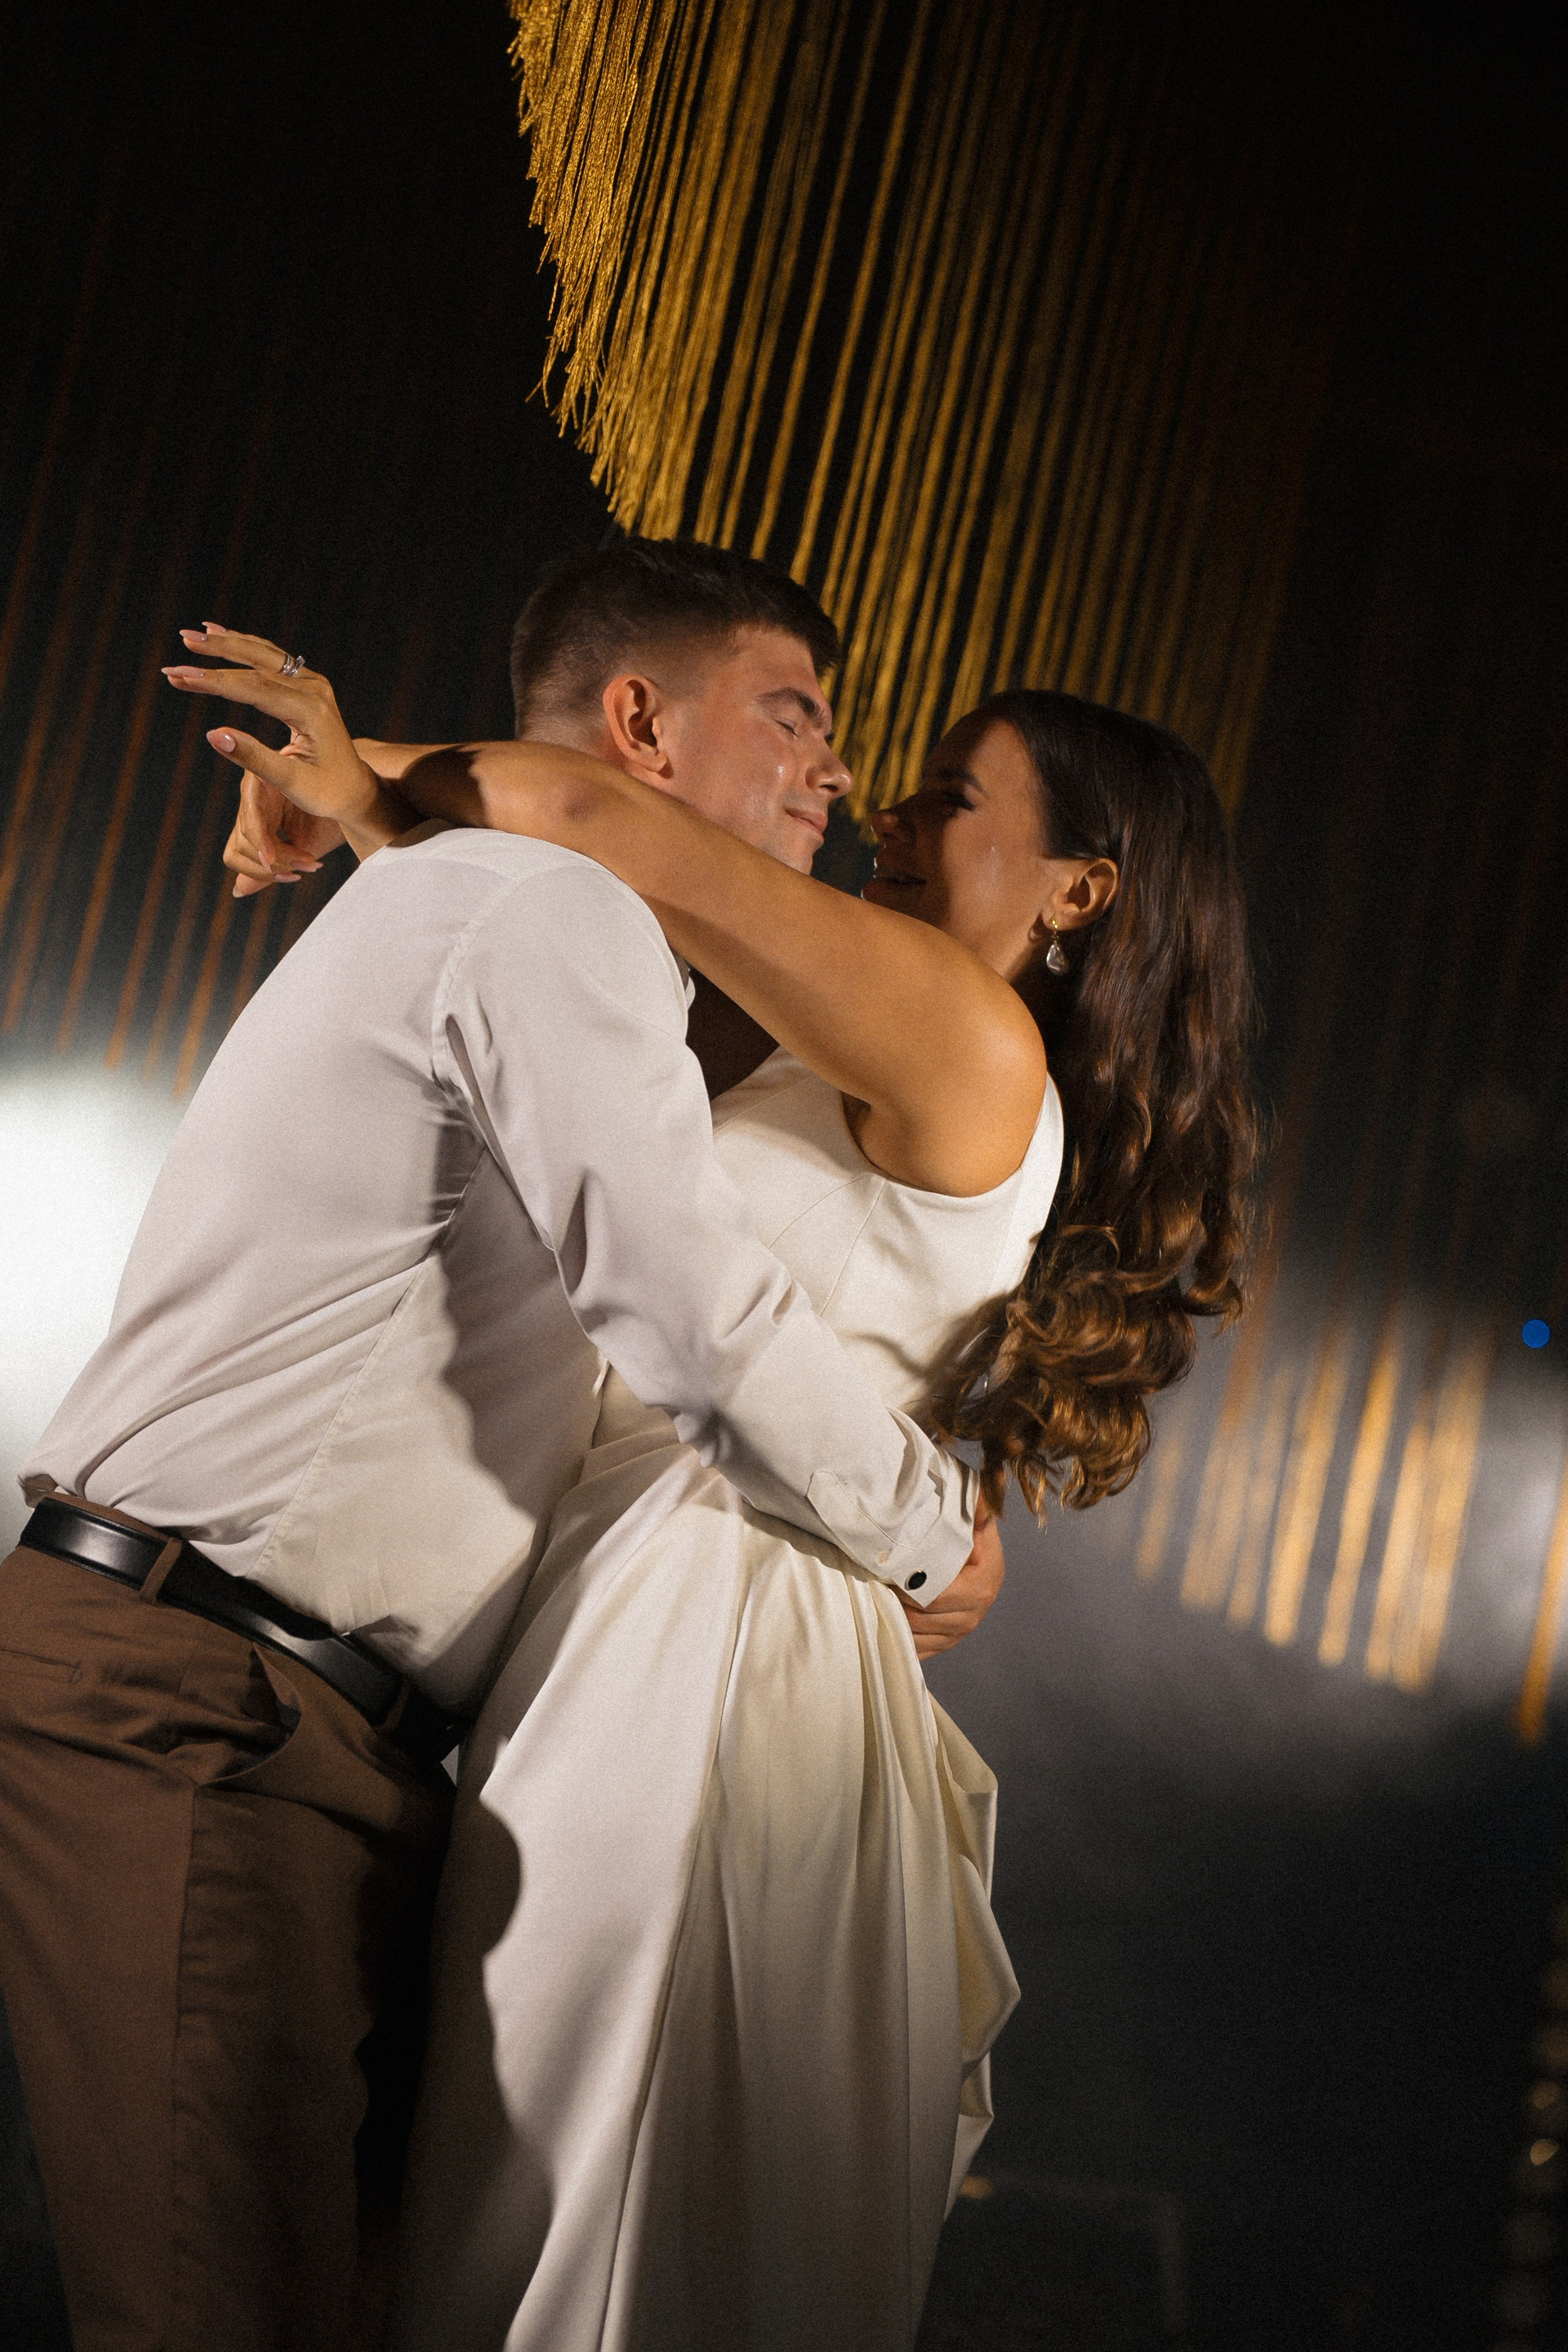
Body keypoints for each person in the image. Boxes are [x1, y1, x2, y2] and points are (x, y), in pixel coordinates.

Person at [217, 590, 1259, 2350]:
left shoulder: (963, 1028)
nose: (886, 814)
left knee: (590, 2207)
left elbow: (604, 820)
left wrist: (340, 760)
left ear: (1080, 893)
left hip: (714, 1637)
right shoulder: (856, 1042)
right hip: (667, 1604)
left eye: (952, 797)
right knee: (533, 2199)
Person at [0, 544, 1003, 2352]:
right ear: (642, 724)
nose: (838, 773)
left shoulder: (519, 912)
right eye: (795, 716)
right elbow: (691, 1318)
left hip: (331, 1739)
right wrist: (933, 1532)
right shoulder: (548, 912)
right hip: (202, 1700)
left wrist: (371, 785)